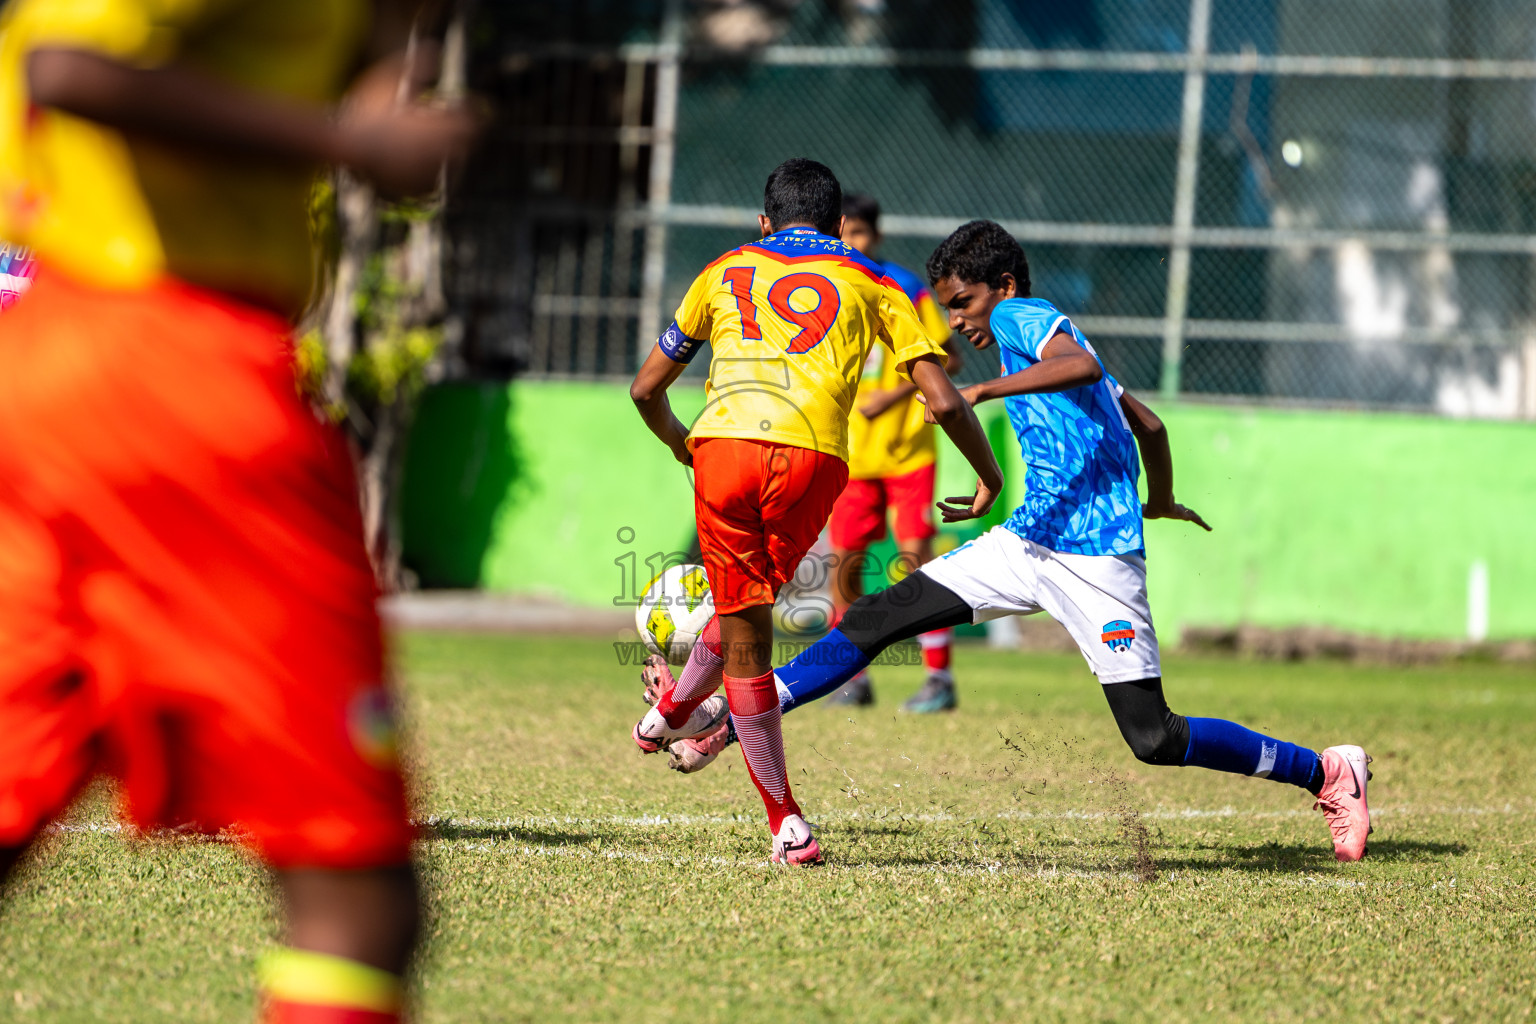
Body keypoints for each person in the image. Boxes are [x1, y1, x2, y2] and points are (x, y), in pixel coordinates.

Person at [0, 2, 477, 1021]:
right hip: (173, 370)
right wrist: (354, 141)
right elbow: (68, 67)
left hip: (63, 362)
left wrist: (395, 59)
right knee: (359, 901)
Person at [643, 220, 1374, 864]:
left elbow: (1081, 366)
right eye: (948, 307)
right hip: (1026, 543)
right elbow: (1148, 422)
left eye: (963, 302)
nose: (958, 320)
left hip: (1093, 562)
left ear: (1003, 284)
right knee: (872, 619)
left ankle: (1327, 772)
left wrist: (983, 395)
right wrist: (1158, 495)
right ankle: (724, 723)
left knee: (1155, 738)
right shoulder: (1027, 344)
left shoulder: (1026, 316)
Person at [627, 160, 1004, 866]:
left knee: (747, 625)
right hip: (815, 462)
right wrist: (987, 477)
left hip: (725, 449)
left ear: (764, 223)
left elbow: (646, 389)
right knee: (749, 615)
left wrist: (685, 444)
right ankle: (714, 750)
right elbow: (946, 397)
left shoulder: (723, 270)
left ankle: (747, 783)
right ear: (838, 227)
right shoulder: (875, 281)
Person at [827, 193, 966, 712]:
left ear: (876, 237)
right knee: (844, 567)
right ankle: (851, 678)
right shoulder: (824, 290)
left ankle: (939, 677)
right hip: (850, 456)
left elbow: (947, 358)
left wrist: (895, 392)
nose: (852, 242)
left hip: (908, 451)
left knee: (914, 561)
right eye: (844, 232)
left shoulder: (904, 287)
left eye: (860, 233)